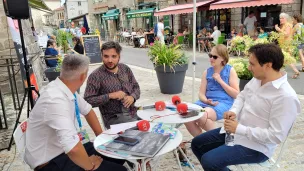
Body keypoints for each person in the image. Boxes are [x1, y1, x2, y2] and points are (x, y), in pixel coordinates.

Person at [191, 43, 301, 171]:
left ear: (268, 65)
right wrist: (233, 111)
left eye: (252, 64)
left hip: (257, 146)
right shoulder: (258, 79)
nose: (249, 68)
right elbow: (242, 96)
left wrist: (239, 129)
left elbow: (276, 136)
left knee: (210, 161)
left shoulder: (286, 97)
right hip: (236, 132)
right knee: (197, 144)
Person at [25, 54, 127, 171]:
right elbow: (73, 149)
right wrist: (90, 166)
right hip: (50, 162)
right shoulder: (55, 100)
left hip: (62, 150)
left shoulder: (64, 88)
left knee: (117, 155)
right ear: (83, 76)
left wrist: (102, 139)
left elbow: (88, 111)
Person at [185, 45, 239, 137]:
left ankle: (216, 139)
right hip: (206, 102)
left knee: (201, 115)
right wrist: (206, 100)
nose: (211, 58)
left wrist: (220, 81)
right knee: (186, 115)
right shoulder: (207, 72)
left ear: (223, 58)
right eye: (210, 55)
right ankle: (201, 141)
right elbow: (201, 94)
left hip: (223, 103)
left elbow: (236, 95)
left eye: (215, 57)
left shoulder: (230, 70)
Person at [84, 41, 140, 129]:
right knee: (141, 130)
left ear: (119, 57)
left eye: (113, 56)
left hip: (133, 112)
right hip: (114, 118)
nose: (110, 60)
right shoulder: (95, 76)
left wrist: (132, 97)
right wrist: (110, 96)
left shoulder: (125, 69)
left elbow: (136, 87)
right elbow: (87, 101)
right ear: (101, 56)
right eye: (106, 56)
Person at [275, 13, 300, 79]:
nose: (280, 19)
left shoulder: (288, 25)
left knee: (286, 58)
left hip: (286, 45)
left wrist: (278, 30)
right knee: (285, 58)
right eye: (280, 18)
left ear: (285, 19)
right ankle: (281, 73)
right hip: (283, 44)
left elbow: (286, 34)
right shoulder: (284, 25)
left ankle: (295, 71)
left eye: (282, 18)